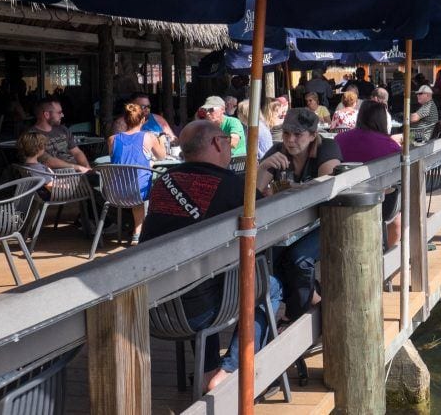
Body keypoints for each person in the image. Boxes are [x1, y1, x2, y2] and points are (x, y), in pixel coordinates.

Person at [140, 120, 281, 393]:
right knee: (270, 286)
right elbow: (272, 222)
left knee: (205, 277)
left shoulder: (163, 181)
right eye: (227, 140)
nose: (229, 145)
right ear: (217, 143)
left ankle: (205, 372)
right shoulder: (231, 186)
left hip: (154, 307)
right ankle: (231, 369)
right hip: (197, 310)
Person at [257, 109, 342, 324]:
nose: (290, 140)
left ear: (313, 135)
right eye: (286, 134)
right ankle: (310, 303)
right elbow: (255, 193)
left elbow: (326, 187)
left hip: (327, 220)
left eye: (298, 134)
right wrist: (264, 166)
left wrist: (285, 188)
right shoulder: (277, 151)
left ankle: (299, 318)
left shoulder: (327, 148)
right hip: (289, 226)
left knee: (298, 260)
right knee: (268, 260)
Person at [336, 100, 403, 247]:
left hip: (341, 201)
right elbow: (400, 176)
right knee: (401, 199)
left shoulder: (339, 139)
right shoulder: (390, 145)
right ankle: (390, 252)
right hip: (382, 205)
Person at [108, 102, 166, 243]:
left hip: (114, 192)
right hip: (138, 192)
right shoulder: (149, 137)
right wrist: (162, 139)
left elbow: (117, 160)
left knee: (133, 184)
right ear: (143, 120)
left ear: (125, 120)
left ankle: (131, 229)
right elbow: (162, 156)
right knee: (149, 185)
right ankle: (139, 232)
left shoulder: (112, 139)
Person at [28, 98, 91, 173]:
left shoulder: (63, 129)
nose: (62, 115)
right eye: (59, 112)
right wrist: (76, 167)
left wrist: (86, 167)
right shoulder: (32, 135)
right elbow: (47, 160)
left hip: (77, 172)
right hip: (58, 177)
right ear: (46, 115)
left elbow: (77, 152)